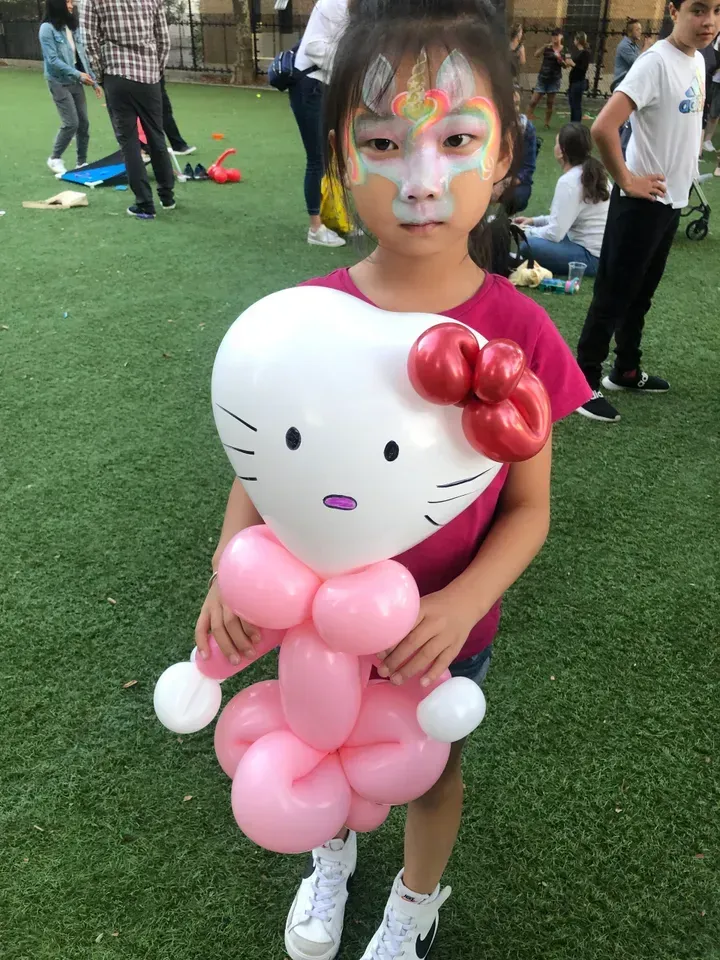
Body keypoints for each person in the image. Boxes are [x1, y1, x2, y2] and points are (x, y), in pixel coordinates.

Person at [195, 2, 591, 959]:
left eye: (457, 139)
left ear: (506, 154)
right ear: (339, 155)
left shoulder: (521, 332)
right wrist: (227, 566)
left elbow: (529, 509)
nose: (421, 180)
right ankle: (328, 849)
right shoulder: (305, 318)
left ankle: (414, 901)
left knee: (429, 770)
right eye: (382, 142)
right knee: (318, 736)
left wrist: (461, 606)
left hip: (434, 635)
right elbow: (266, 469)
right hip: (311, 621)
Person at [576, 0, 717, 424]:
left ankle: (625, 370)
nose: (709, 21)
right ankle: (582, 382)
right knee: (613, 295)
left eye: (716, 10)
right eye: (698, 10)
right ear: (673, 10)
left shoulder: (697, 59)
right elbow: (603, 126)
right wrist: (626, 180)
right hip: (641, 203)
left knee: (641, 294)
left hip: (670, 202)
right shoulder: (654, 62)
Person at [81, 0, 175, 220]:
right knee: (156, 135)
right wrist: (156, 70)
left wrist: (100, 74)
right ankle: (167, 196)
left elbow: (89, 41)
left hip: (116, 74)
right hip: (149, 75)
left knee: (129, 142)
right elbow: (163, 38)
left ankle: (144, 203)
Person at [290, 0, 349, 248]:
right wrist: (350, 62)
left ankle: (336, 216)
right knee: (318, 158)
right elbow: (314, 46)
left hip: (327, 86)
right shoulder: (334, 4)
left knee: (337, 154)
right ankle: (315, 227)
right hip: (311, 86)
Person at [515, 123, 609, 277]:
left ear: (561, 151)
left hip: (590, 257)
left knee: (528, 245)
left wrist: (525, 232)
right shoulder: (594, 172)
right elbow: (564, 219)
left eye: (556, 143)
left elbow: (555, 234)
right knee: (533, 239)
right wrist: (533, 221)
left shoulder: (570, 181)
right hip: (600, 252)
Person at [39, 0, 102, 177]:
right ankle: (55, 158)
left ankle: (81, 162)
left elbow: (82, 56)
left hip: (75, 79)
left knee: (83, 123)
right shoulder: (46, 29)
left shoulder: (73, 27)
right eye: (67, 1)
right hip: (58, 81)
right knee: (71, 123)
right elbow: (52, 60)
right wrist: (78, 75)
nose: (71, 5)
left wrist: (93, 81)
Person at [495, 85, 536, 214]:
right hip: (488, 177)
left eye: (517, 104)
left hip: (513, 179)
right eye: (510, 104)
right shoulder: (487, 125)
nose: (514, 109)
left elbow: (527, 169)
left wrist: (502, 185)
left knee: (517, 197)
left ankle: (504, 219)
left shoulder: (526, 128)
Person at [527, 28, 568, 129]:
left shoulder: (564, 49)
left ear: (561, 37)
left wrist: (559, 59)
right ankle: (526, 120)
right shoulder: (548, 48)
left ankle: (546, 123)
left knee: (550, 103)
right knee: (533, 101)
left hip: (554, 80)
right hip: (542, 78)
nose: (554, 37)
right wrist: (544, 46)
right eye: (553, 35)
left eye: (556, 35)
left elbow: (565, 65)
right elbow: (536, 54)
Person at [161, 75, 196, 155]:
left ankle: (178, 145)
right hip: (140, 82)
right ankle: (145, 147)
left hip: (156, 81)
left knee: (165, 112)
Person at [567, 32, 591, 123]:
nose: (574, 41)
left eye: (575, 39)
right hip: (573, 81)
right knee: (572, 104)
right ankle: (572, 123)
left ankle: (576, 124)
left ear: (578, 40)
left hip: (578, 82)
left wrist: (572, 63)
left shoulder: (585, 53)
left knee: (576, 105)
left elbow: (582, 68)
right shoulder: (578, 52)